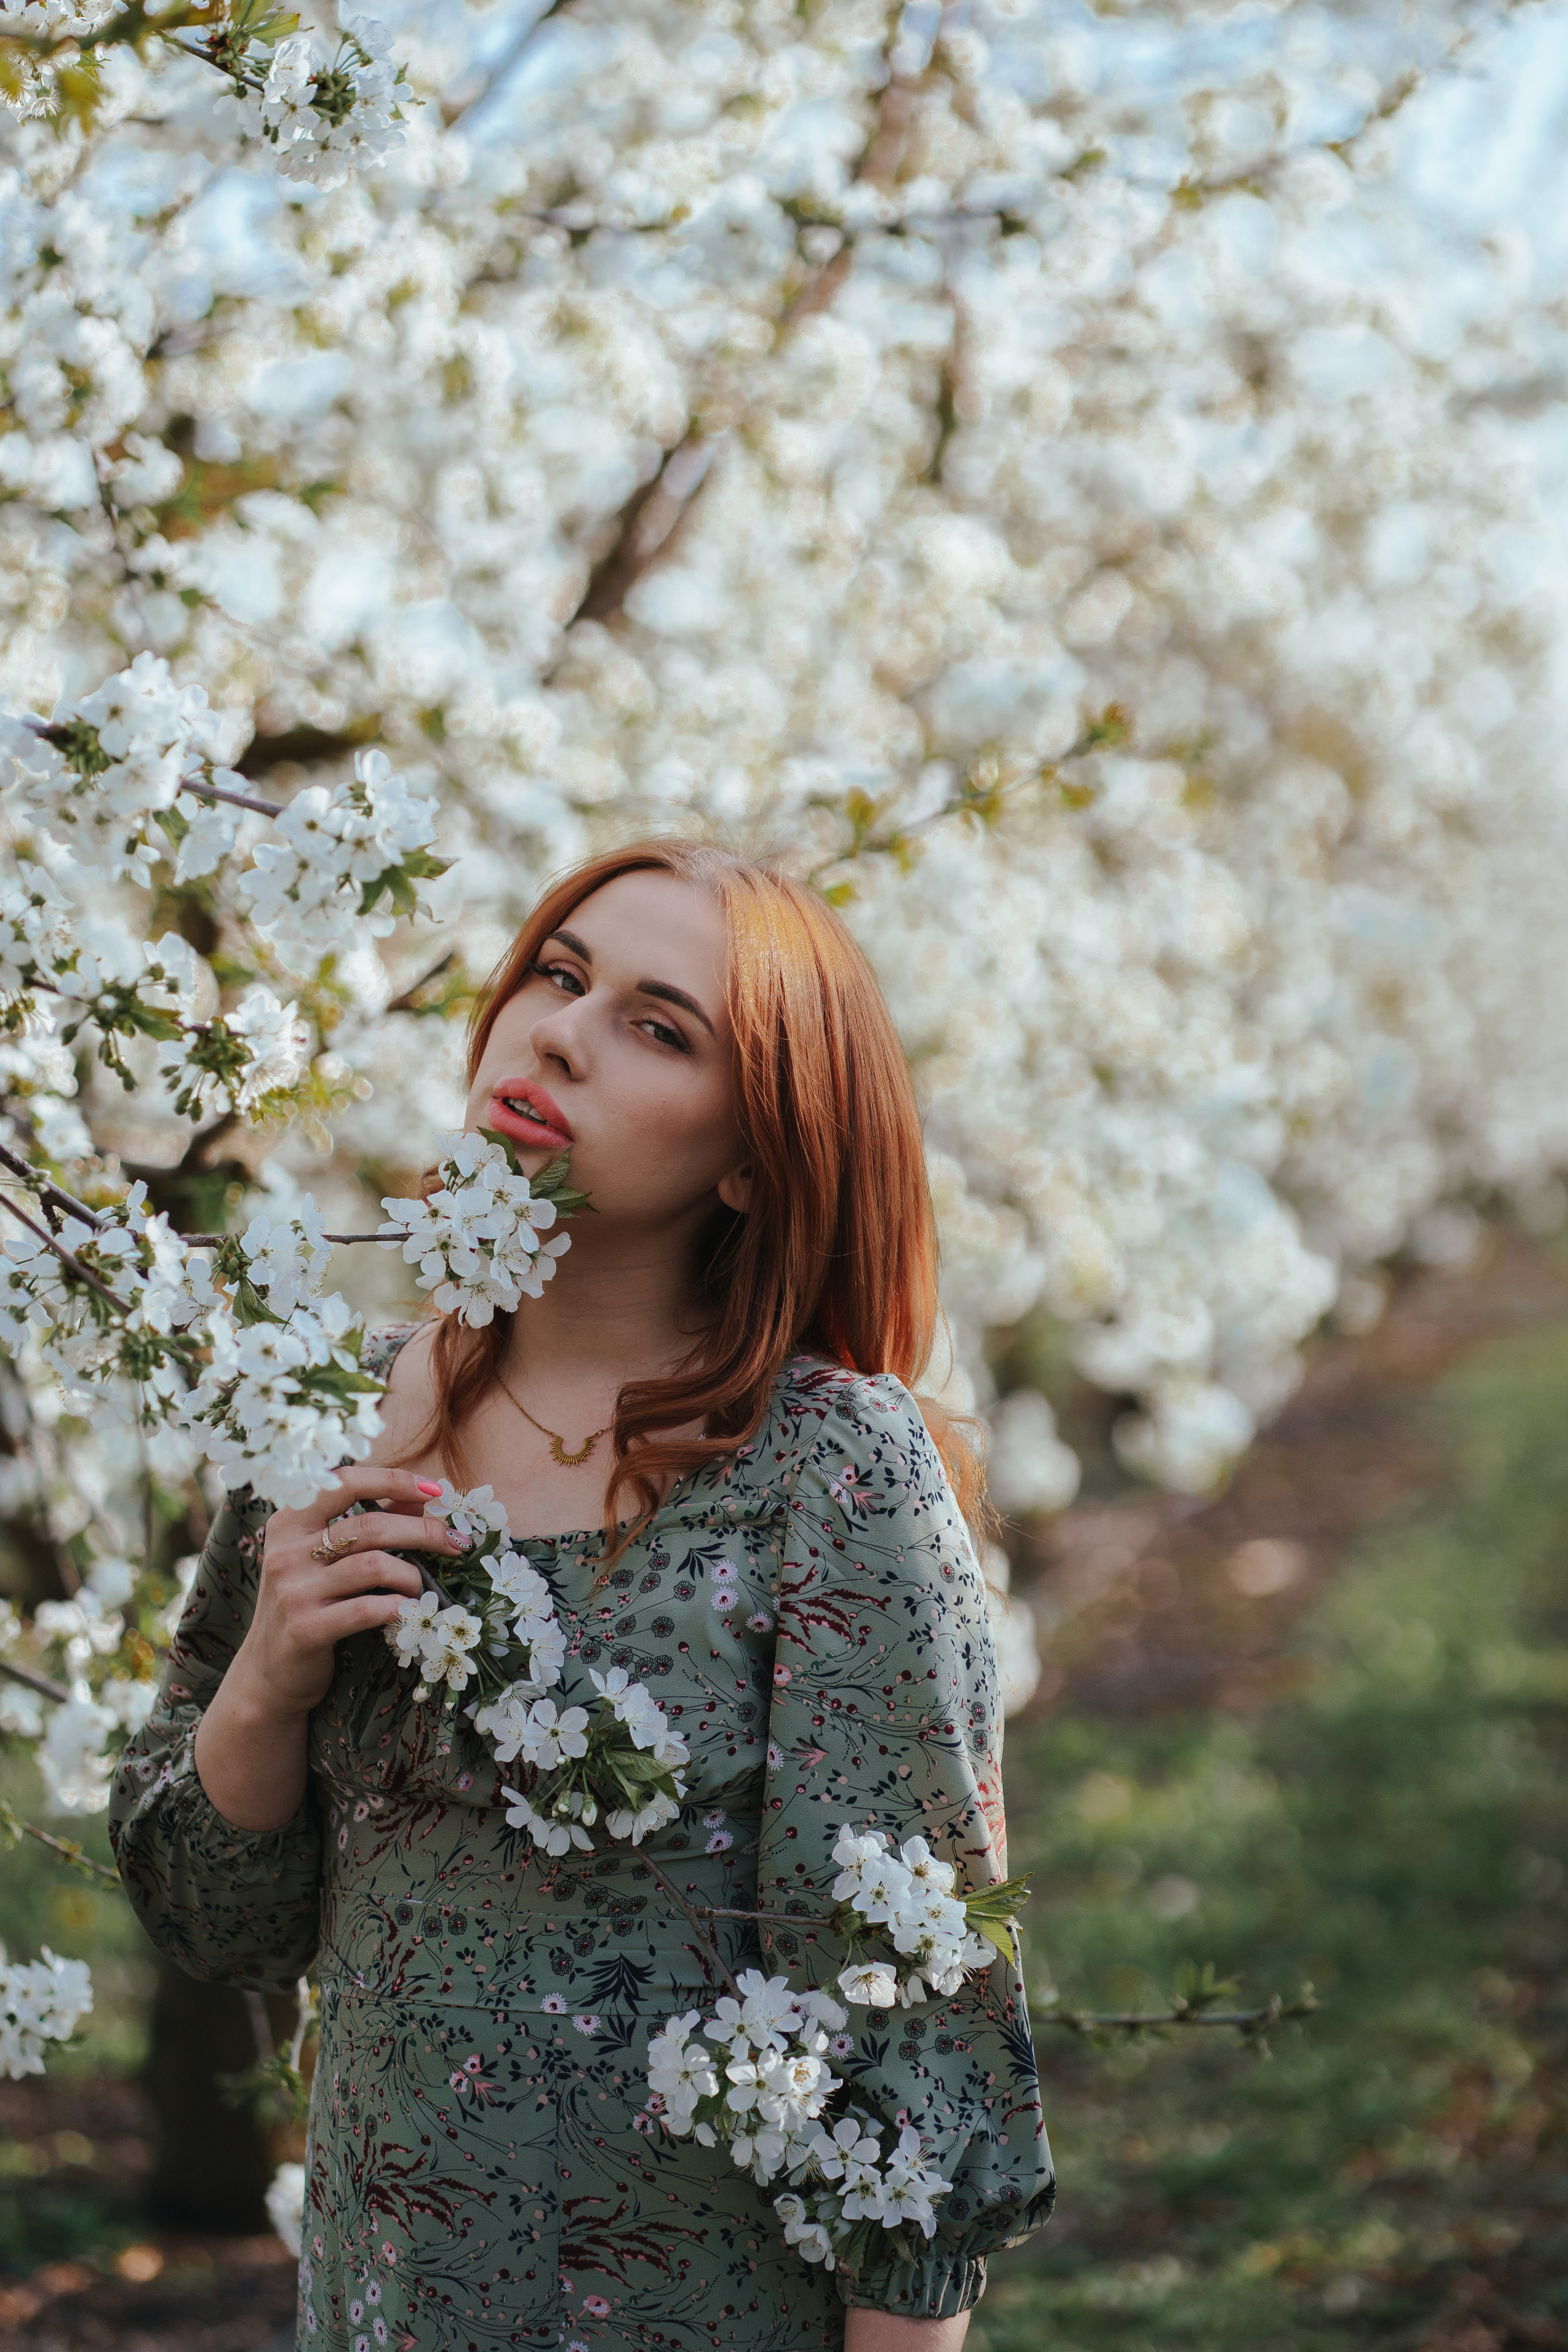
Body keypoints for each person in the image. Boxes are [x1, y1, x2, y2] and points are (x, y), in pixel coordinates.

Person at [110, 840, 1055, 2352]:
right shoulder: (324, 1416)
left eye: (656, 1027)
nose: (558, 1033)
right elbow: (216, 1922)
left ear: (749, 1157)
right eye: (558, 974)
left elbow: (912, 2030)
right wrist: (270, 1677)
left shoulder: (824, 1469)